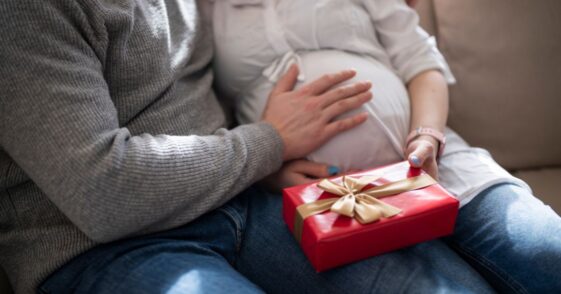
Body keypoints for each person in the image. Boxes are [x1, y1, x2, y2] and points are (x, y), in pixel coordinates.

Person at [0, 2, 555, 294]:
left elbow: (418, 56)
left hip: (252, 204)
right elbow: (103, 193)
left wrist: (263, 166)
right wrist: (269, 148)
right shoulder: (25, 12)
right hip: (114, 245)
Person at [206, 0, 561, 292]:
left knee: (546, 250)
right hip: (328, 200)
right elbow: (220, 121)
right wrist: (271, 166)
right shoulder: (203, 13)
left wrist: (427, 136)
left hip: (437, 163)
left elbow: (422, 62)